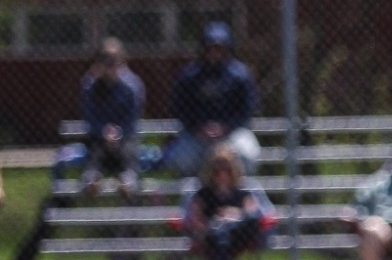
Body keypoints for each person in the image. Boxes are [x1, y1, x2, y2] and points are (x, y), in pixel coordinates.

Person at [163, 23, 261, 179]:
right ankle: (196, 197)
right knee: (182, 159)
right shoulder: (190, 76)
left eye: (220, 48)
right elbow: (178, 108)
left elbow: (248, 109)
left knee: (247, 155)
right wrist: (198, 128)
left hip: (231, 133)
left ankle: (238, 195)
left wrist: (226, 127)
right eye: (211, 48)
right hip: (197, 134)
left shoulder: (240, 75)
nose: (215, 53)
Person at [182, 147, 270, 260]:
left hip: (240, 236)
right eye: (218, 169)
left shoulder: (242, 191)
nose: (222, 173)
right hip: (213, 238)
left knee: (243, 223)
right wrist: (215, 222)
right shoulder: (204, 194)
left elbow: (252, 212)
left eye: (227, 169)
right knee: (221, 234)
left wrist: (234, 214)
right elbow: (196, 220)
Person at [74, 38, 148, 200]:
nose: (109, 64)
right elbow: (89, 116)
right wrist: (103, 131)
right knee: (95, 149)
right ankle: (91, 180)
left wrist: (117, 132)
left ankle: (127, 182)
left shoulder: (132, 85)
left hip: (125, 136)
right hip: (99, 137)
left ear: (122, 60)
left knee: (128, 150)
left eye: (114, 60)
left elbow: (133, 117)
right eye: (105, 59)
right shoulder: (90, 85)